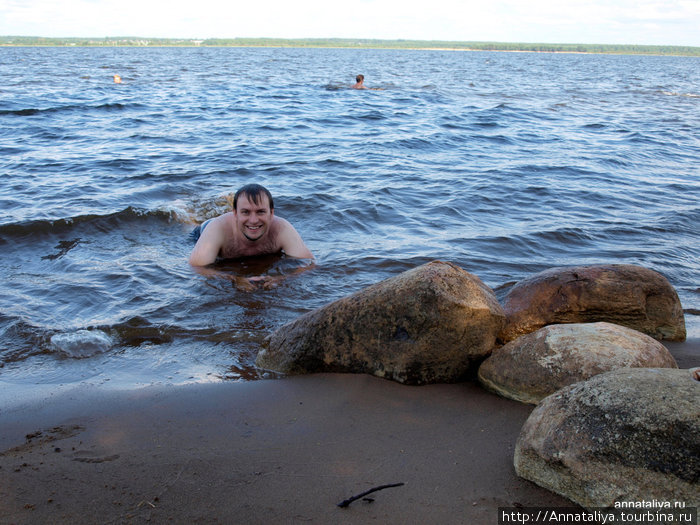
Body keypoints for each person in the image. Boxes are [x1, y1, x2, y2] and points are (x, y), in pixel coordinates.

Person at [189, 184, 313, 289]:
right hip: (203, 230)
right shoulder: (217, 229)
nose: (253, 220)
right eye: (246, 212)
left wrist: (281, 279)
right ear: (235, 214)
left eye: (260, 212)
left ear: (271, 213)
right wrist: (234, 279)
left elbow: (309, 263)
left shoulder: (282, 228)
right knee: (189, 224)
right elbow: (197, 267)